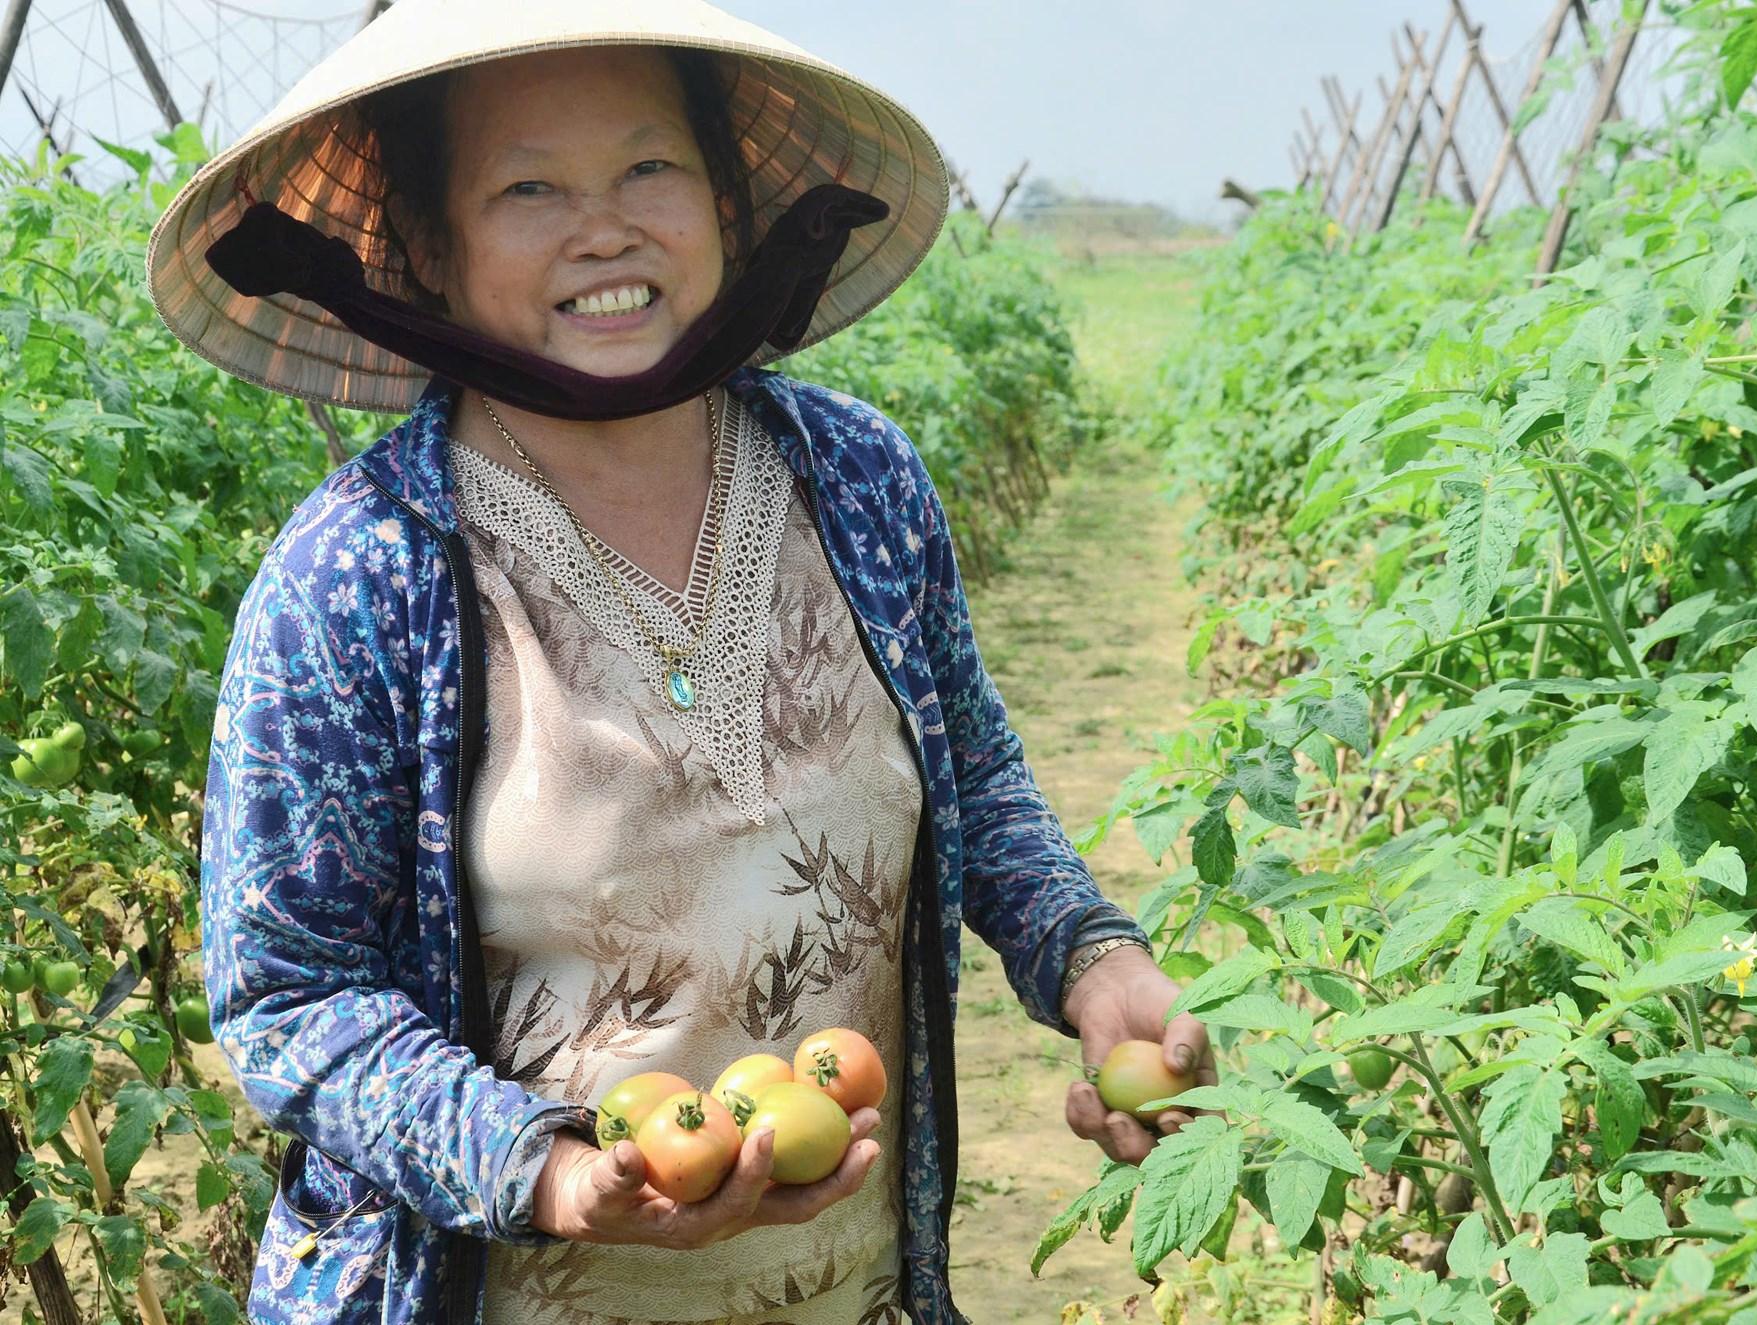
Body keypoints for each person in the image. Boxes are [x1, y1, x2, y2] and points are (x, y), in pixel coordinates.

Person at [149, 2, 1216, 1321]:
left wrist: (1093, 957)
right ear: (426, 244)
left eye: (649, 168)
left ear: (723, 199)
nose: (604, 227)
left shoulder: (859, 483)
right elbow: (285, 994)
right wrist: (536, 1162)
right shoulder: (358, 577)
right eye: (528, 186)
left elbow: (977, 785)